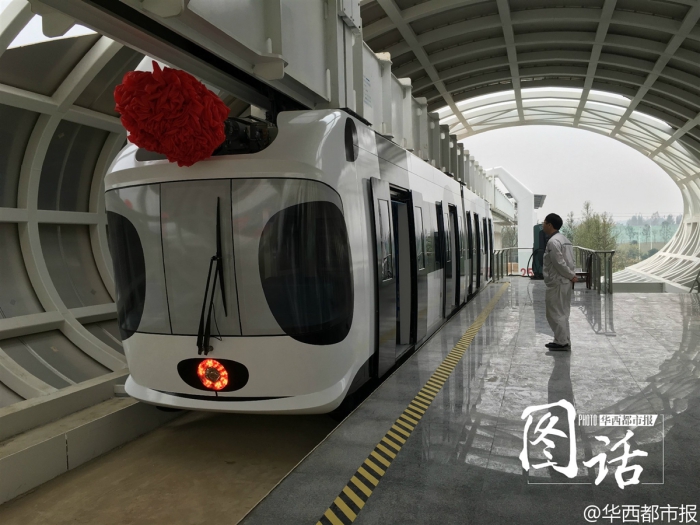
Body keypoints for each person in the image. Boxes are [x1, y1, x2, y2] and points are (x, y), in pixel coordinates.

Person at [542, 213, 577, 350]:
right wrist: (571, 275)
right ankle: (563, 340)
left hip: (558, 281)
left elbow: (559, 263)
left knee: (555, 312)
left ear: (550, 225)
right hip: (565, 282)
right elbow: (570, 261)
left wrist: (570, 275)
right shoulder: (565, 239)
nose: (543, 225)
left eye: (544, 222)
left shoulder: (553, 242)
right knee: (563, 312)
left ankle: (561, 342)